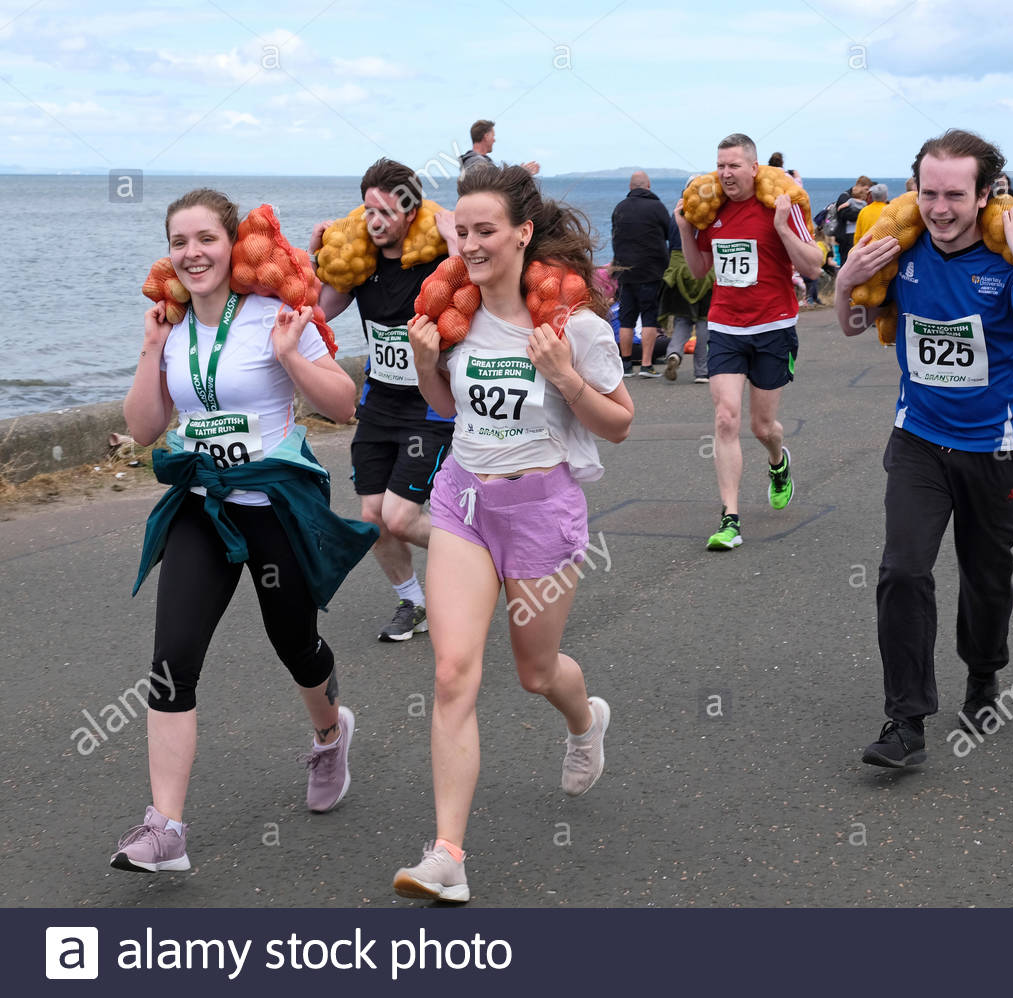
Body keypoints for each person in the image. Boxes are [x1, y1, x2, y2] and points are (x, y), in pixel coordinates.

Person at [392, 165, 634, 902]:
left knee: (536, 672)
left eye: (485, 231)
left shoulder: (574, 324)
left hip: (541, 512)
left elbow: (620, 424)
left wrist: (565, 378)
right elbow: (447, 408)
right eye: (460, 231)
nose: (469, 244)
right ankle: (447, 856)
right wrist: (431, 365)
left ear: (523, 233)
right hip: (463, 502)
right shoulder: (456, 317)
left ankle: (584, 718)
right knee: (451, 672)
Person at [113, 189, 374, 872]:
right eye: (179, 241)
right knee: (172, 659)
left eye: (205, 238)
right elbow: (143, 430)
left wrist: (291, 357)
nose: (192, 253)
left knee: (296, 644)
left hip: (273, 503)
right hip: (203, 505)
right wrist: (148, 352)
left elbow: (344, 406)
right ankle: (164, 828)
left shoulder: (277, 315)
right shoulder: (170, 328)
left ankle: (328, 732)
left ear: (235, 245)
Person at [834, 128, 1013, 768]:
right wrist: (845, 280)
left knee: (985, 578)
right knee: (902, 570)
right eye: (929, 192)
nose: (939, 208)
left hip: (996, 447)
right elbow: (852, 324)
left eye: (955, 195)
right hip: (918, 438)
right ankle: (905, 723)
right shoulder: (900, 248)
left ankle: (985, 672)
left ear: (983, 194)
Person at [311, 159, 455, 641]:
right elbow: (315, 312)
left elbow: (478, 289)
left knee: (400, 514)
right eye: (369, 210)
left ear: (412, 212)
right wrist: (315, 259)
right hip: (379, 405)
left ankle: (480, 555)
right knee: (374, 517)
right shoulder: (363, 266)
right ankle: (413, 602)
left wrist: (455, 238)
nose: (375, 221)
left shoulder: (435, 263)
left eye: (387, 211)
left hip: (429, 406)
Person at [674, 132, 822, 551]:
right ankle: (730, 520)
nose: (725, 173)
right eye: (720, 165)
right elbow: (701, 269)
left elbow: (813, 266)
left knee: (762, 426)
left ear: (754, 168)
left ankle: (778, 461)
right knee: (725, 418)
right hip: (725, 326)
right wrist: (684, 228)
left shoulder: (780, 205)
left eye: (734, 165)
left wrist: (782, 229)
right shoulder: (712, 212)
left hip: (773, 326)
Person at [611, 171, 672, 377]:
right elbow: (669, 233)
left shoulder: (620, 208)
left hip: (625, 273)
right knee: (649, 317)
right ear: (648, 186)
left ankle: (626, 365)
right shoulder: (657, 207)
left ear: (630, 188)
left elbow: (615, 236)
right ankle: (646, 365)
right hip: (651, 272)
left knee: (626, 319)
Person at [660, 219, 714, 382]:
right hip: (705, 273)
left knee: (682, 320)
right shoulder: (709, 216)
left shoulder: (676, 218)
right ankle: (702, 371)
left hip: (679, 273)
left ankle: (674, 353)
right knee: (704, 323)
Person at [458, 119, 540, 178]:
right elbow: (494, 184)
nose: (494, 140)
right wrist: (520, 173)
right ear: (486, 137)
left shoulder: (474, 161)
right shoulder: (474, 162)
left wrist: (520, 173)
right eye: (493, 136)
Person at [834, 175, 872, 266]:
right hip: (845, 236)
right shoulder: (845, 197)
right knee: (846, 262)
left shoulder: (860, 198)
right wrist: (863, 213)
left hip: (856, 234)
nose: (868, 192)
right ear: (860, 186)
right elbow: (844, 214)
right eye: (866, 189)